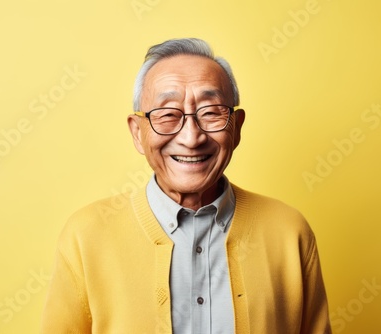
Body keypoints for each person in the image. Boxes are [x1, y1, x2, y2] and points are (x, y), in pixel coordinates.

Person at [41, 38, 332, 334]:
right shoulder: (86, 235)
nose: (191, 138)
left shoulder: (288, 231)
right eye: (167, 114)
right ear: (137, 132)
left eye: (210, 112)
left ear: (237, 127)